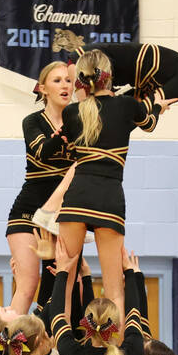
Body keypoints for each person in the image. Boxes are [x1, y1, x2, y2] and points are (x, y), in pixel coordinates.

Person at [45, 49, 170, 321]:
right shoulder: (126, 106)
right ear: (109, 76)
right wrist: (158, 105)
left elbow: (67, 143)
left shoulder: (73, 112)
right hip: (109, 199)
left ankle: (58, 351)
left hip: (78, 197)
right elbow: (148, 124)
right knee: (115, 290)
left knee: (65, 282)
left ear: (79, 80)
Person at [7, 62, 76, 315]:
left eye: (68, 80)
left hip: (64, 211)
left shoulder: (81, 120)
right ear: (43, 88)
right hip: (29, 209)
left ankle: (55, 350)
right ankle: (9, 349)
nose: (64, 85)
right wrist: (66, 131)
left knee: (62, 284)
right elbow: (43, 153)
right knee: (27, 283)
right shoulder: (33, 121)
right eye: (57, 80)